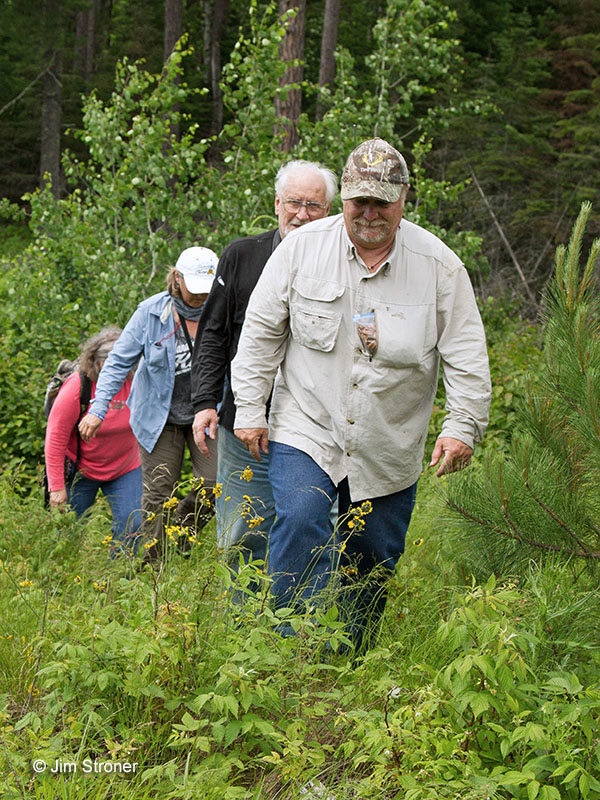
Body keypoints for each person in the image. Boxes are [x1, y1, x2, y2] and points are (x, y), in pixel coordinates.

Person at [230, 138, 492, 648]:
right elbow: (260, 332)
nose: (369, 213)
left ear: (403, 198)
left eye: (382, 201)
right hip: (307, 421)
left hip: (389, 435)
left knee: (372, 552)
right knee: (302, 515)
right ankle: (285, 648)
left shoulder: (439, 266)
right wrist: (249, 406)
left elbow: (466, 354)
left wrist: (462, 426)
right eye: (359, 201)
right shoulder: (301, 250)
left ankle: (351, 654)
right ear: (344, 198)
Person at [191, 160, 337, 565]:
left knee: (313, 528)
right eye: (294, 202)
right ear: (277, 203)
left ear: (331, 211)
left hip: (317, 428)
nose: (303, 214)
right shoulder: (242, 255)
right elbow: (214, 335)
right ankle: (243, 625)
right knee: (243, 531)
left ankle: (300, 621)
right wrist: (205, 402)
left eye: (314, 205)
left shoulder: (343, 264)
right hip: (246, 425)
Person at [79, 247, 219, 561]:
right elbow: (116, 363)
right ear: (178, 279)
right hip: (160, 417)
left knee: (214, 484)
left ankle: (179, 540)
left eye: (206, 290)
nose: (200, 297)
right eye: (194, 289)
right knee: (158, 493)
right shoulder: (151, 312)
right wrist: (98, 409)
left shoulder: (222, 308)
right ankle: (152, 565)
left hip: (207, 413)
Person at [45, 327, 142, 555]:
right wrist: (57, 488)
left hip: (125, 467)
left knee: (134, 525)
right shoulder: (78, 387)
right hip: (81, 469)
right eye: (110, 362)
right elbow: (55, 439)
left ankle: (117, 579)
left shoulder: (136, 382)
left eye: (123, 361)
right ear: (96, 362)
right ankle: (64, 581)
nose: (118, 369)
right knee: (68, 531)